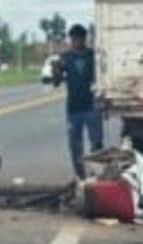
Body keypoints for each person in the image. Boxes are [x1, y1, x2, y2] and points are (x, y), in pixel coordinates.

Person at [53, 24, 104, 179]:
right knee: (75, 145)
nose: (76, 42)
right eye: (73, 39)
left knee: (96, 142)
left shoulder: (92, 56)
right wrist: (56, 69)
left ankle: (97, 172)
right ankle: (81, 175)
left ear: (84, 39)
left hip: (91, 106)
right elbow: (56, 82)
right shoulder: (65, 57)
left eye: (79, 39)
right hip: (73, 108)